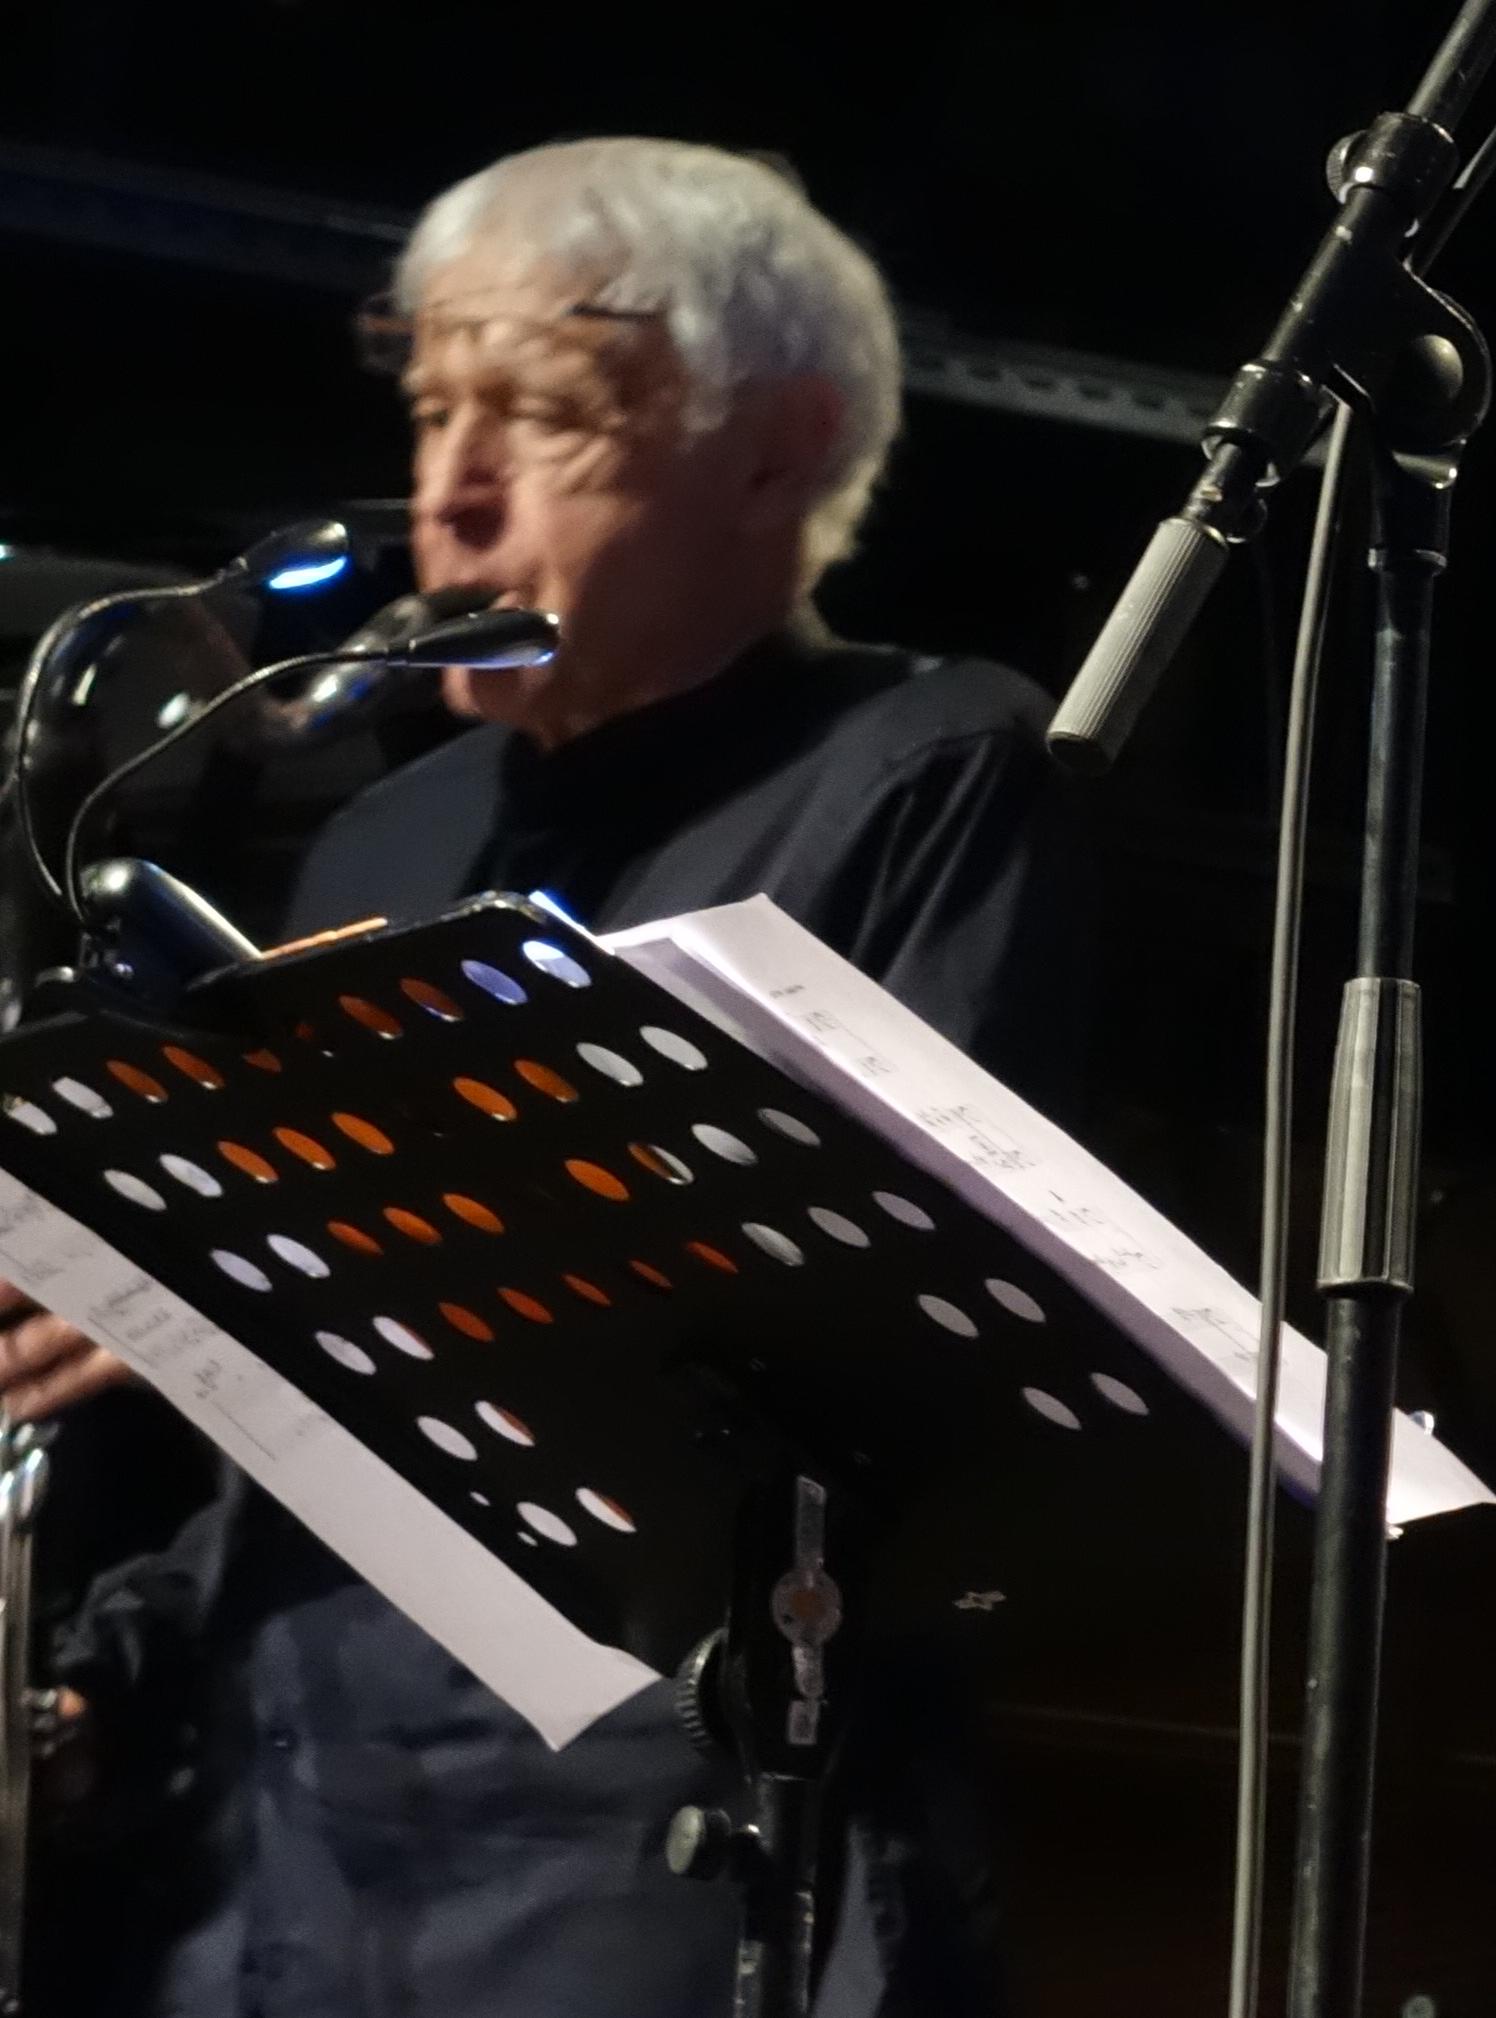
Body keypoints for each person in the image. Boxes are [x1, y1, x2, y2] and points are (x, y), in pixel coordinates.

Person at [6, 137, 1077, 2017]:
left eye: (542, 417)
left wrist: (304, 1228)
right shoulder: (384, 842)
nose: (451, 494)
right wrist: (100, 1677)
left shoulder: (919, 769)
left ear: (777, 445)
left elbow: (873, 1360)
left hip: (615, 1868)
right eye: (432, 412)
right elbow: (294, 1460)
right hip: (258, 1848)